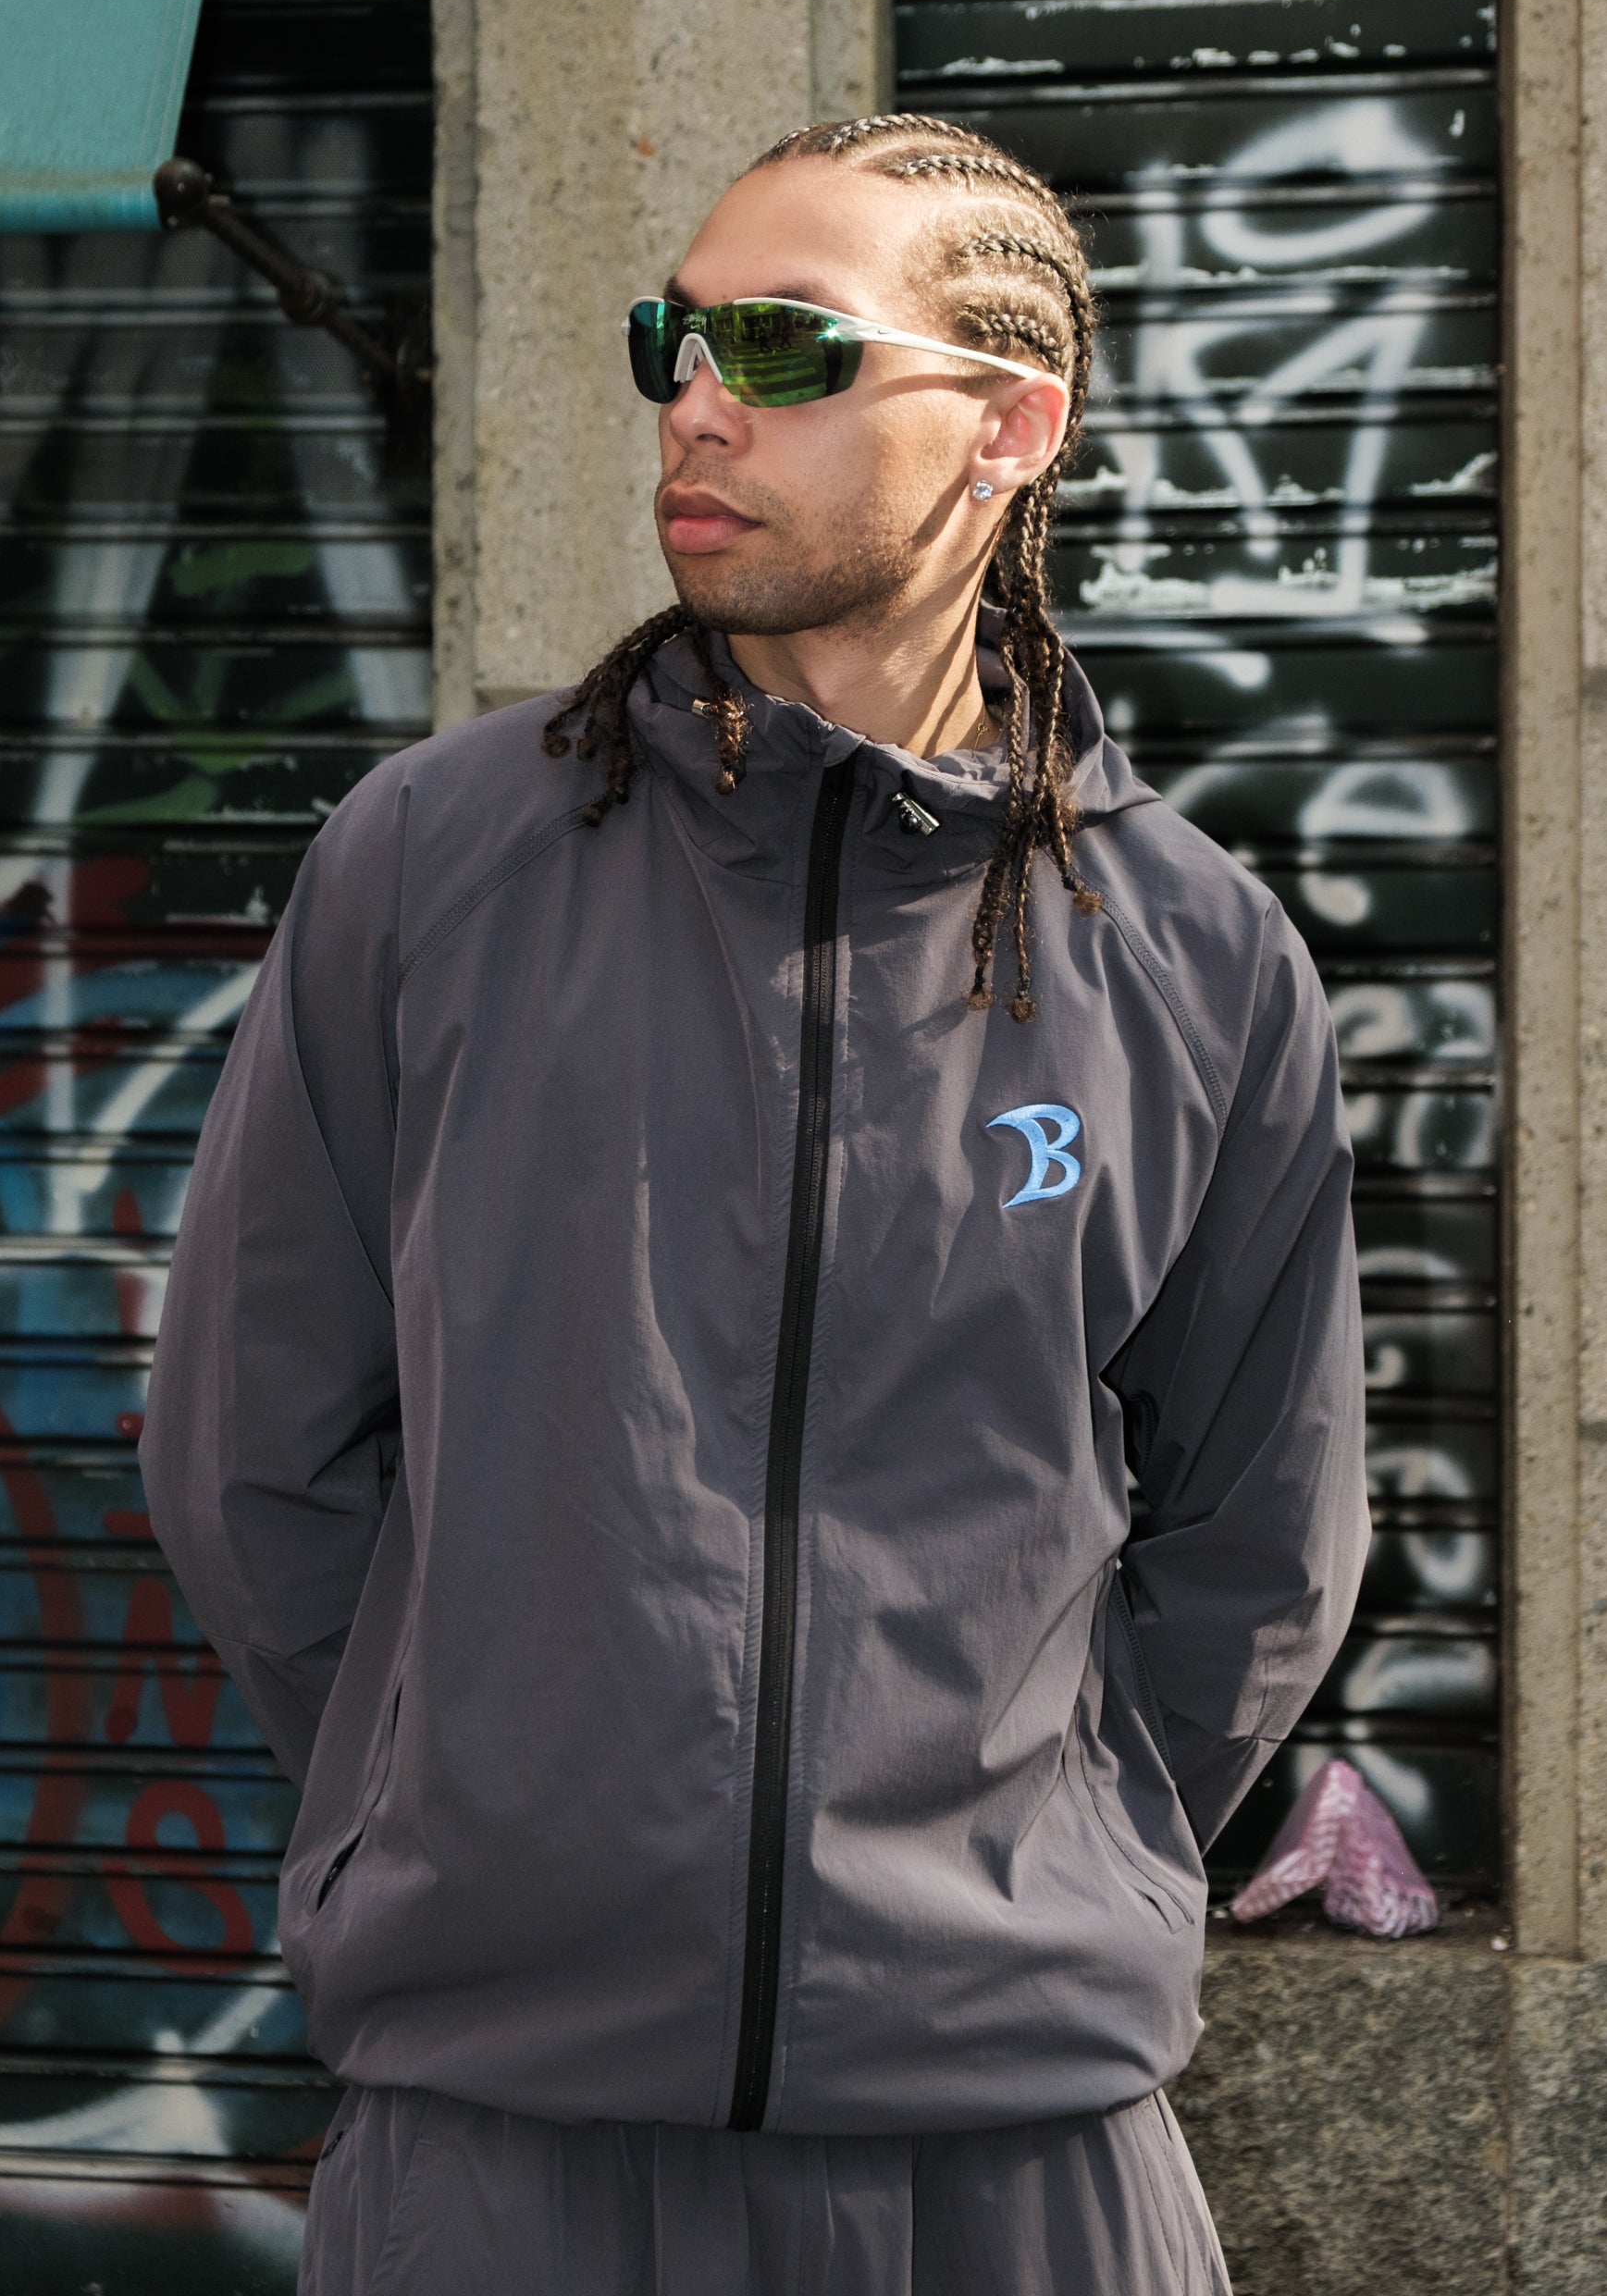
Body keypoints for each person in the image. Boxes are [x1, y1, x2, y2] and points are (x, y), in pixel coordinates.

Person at [142, 113, 1369, 2295]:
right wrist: (469, 1801)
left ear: (1009, 426)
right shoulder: (431, 867)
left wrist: (1033, 1858)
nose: (699, 402)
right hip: (503, 2144)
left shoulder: (1194, 953)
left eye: (786, 348)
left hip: (1015, 2156)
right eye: (674, 338)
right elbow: (254, 1454)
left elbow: (1264, 1534)